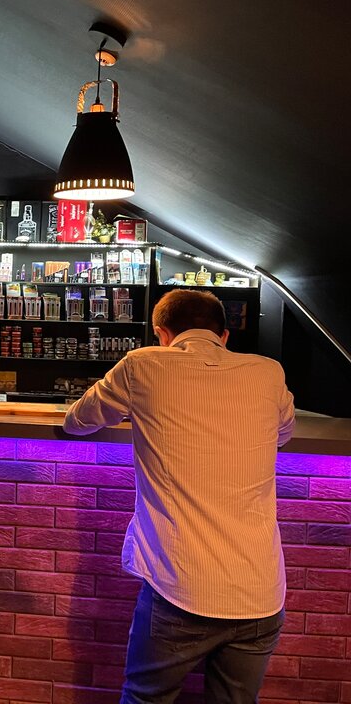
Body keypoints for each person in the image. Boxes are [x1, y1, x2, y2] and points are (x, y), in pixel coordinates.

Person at [62, 289, 295, 704]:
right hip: (261, 594)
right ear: (224, 335)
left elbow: (77, 421)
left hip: (181, 589)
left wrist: (141, 407)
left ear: (161, 333)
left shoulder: (142, 365)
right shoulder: (269, 372)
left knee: (146, 699)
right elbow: (283, 434)